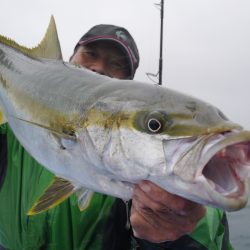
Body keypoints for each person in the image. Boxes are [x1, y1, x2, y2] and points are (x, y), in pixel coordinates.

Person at [0, 24, 233, 250]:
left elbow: (209, 229)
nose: (99, 68)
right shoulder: (6, 133)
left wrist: (180, 233)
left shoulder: (143, 171)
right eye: (90, 54)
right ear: (69, 59)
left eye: (116, 64)